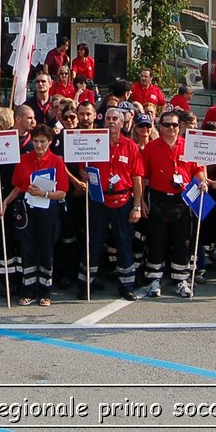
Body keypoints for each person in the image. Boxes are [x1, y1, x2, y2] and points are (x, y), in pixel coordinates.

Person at [1, 123, 69, 307]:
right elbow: (17, 187)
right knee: (27, 248)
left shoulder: (57, 162)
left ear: (49, 142)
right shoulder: (24, 160)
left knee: (46, 249)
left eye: (43, 142)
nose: (39, 145)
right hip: (27, 209)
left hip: (48, 210)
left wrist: (44, 194)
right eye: (37, 141)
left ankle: (45, 292)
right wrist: (5, 202)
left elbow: (62, 192)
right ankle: (28, 291)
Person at [138, 108, 204, 298]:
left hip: (183, 198)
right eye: (167, 125)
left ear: (180, 126)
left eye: (175, 125)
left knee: (182, 240)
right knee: (156, 239)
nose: (171, 128)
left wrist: (203, 181)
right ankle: (154, 279)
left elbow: (198, 170)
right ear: (160, 126)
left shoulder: (188, 146)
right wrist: (141, 200)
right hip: (158, 198)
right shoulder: (150, 147)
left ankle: (181, 279)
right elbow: (142, 176)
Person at [86, 104, 143, 300]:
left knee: (124, 242)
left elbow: (137, 178)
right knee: (94, 241)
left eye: (115, 119)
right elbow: (81, 167)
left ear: (122, 122)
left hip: (123, 200)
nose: (111, 122)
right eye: (108, 119)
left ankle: (127, 285)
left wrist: (136, 205)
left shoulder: (131, 146)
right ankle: (87, 282)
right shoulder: (92, 142)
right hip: (98, 200)